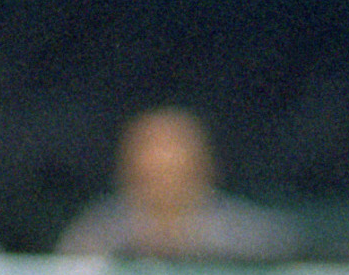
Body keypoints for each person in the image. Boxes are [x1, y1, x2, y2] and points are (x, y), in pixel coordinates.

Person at [54, 104, 300, 264]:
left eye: (174, 171)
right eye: (153, 174)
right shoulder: (96, 239)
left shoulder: (250, 241)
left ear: (204, 167)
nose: (165, 183)